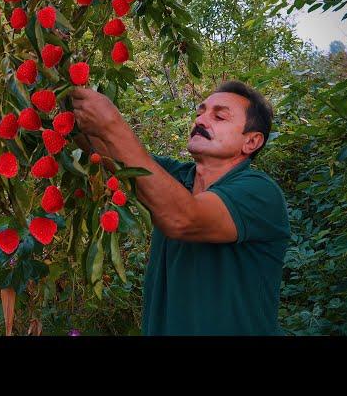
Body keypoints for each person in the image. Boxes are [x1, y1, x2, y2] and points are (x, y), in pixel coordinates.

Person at [71, 80, 290, 335]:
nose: (201, 120)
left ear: (251, 142)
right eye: (200, 112)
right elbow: (103, 151)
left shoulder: (259, 192)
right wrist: (61, 94)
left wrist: (111, 123)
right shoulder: (174, 177)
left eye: (219, 116)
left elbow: (182, 218)